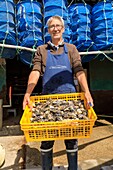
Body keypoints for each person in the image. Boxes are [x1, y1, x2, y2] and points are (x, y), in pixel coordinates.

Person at [23, 15, 94, 170]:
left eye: (58, 26)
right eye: (51, 26)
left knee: (71, 140)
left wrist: (87, 92)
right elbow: (35, 71)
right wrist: (28, 93)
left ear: (63, 29)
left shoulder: (72, 49)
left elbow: (79, 71)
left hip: (70, 99)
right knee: (46, 140)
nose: (55, 29)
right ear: (48, 30)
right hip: (47, 101)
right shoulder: (42, 50)